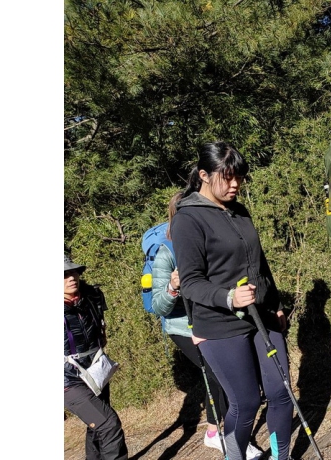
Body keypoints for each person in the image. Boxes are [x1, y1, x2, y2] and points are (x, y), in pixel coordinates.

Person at [171, 141, 293, 460]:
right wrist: (228, 297)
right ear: (204, 176)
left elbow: (259, 261)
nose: (236, 184)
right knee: (246, 402)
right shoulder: (188, 219)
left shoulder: (239, 210)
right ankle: (235, 455)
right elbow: (191, 282)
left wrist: (276, 302)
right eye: (228, 177)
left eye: (239, 176)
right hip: (220, 325)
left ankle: (282, 457)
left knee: (280, 392)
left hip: (262, 313)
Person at [150, 191, 265, 458]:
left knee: (224, 379)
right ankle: (230, 440)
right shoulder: (165, 255)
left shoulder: (211, 238)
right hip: (182, 327)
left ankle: (217, 432)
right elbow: (158, 307)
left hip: (213, 317)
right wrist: (173, 287)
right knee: (222, 379)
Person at [64, 255, 130, 460]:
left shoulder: (90, 297)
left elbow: (100, 328)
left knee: (96, 426)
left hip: (94, 370)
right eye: (63, 275)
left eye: (73, 271)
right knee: (108, 424)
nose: (71, 277)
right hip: (67, 379)